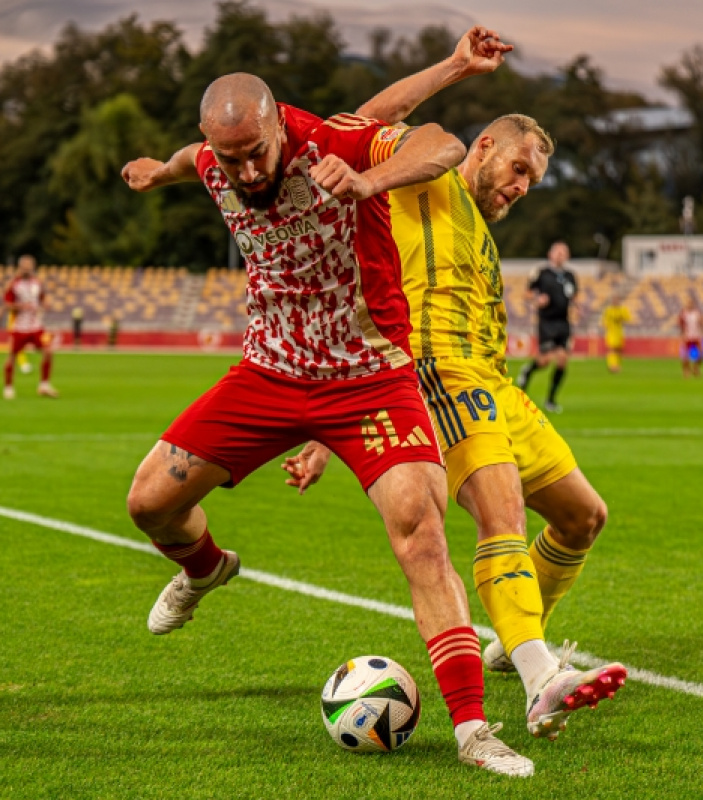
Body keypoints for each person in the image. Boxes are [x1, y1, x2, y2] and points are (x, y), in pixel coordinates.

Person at [121, 72, 533, 777]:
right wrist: (162, 172)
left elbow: (442, 144)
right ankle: (207, 570)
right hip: (270, 373)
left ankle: (473, 731)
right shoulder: (216, 161)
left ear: (279, 125)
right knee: (149, 502)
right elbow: (194, 161)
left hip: (369, 377)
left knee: (422, 535)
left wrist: (373, 182)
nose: (247, 170)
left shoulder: (335, 143)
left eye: (257, 151)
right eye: (231, 158)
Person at [282, 27, 626, 743]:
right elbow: (362, 122)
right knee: (500, 516)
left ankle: (513, 639)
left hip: (494, 382)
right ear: (485, 147)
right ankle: (539, 678)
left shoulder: (480, 227)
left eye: (533, 180)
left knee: (581, 517)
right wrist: (456, 68)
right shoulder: (428, 175)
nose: (522, 186)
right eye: (518, 168)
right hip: (439, 372)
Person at [516, 242, 578, 413]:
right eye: (557, 252)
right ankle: (528, 371)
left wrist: (576, 308)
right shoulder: (542, 273)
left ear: (567, 256)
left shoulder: (570, 276)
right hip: (547, 322)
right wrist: (537, 300)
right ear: (550, 254)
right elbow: (528, 293)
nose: (560, 255)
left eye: (563, 252)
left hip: (564, 322)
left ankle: (551, 400)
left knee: (562, 361)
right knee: (545, 360)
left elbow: (574, 296)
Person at [3, 255, 59, 399]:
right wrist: (21, 306)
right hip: (19, 327)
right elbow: (7, 305)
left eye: (30, 265)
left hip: (36, 327)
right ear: (20, 267)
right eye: (25, 265)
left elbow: (42, 298)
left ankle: (44, 385)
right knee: (12, 356)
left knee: (48, 351)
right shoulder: (13, 284)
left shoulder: (37, 283)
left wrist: (45, 303)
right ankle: (8, 387)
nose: (27, 268)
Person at [601, 291, 632, 373]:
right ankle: (612, 366)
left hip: (619, 332)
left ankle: (617, 365)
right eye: (614, 299)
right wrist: (606, 324)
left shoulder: (623, 309)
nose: (615, 301)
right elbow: (604, 321)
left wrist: (622, 318)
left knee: (619, 350)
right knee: (612, 349)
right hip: (611, 333)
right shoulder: (608, 310)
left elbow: (628, 319)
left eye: (616, 299)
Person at [677, 294, 703, 378]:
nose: (689, 305)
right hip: (687, 336)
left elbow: (702, 323)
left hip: (697, 336)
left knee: (702, 354)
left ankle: (696, 367)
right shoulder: (683, 313)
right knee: (685, 356)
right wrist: (682, 334)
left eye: (690, 303)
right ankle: (686, 370)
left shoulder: (697, 313)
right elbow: (680, 324)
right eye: (688, 303)